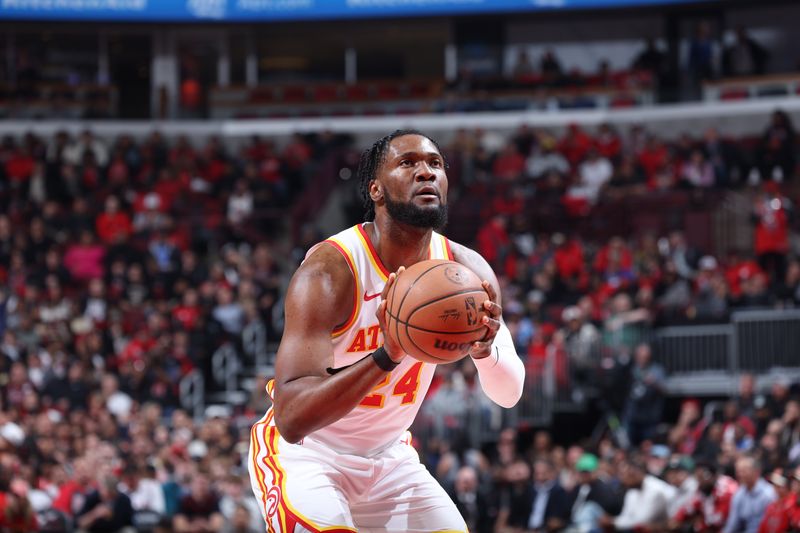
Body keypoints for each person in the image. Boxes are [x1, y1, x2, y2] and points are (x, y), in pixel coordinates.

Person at [248, 129, 525, 531]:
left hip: (390, 459)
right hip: (309, 455)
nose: (426, 173)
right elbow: (292, 419)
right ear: (375, 190)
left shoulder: (468, 273)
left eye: (435, 164)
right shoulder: (329, 272)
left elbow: (509, 394)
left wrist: (485, 353)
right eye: (408, 163)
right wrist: (386, 355)